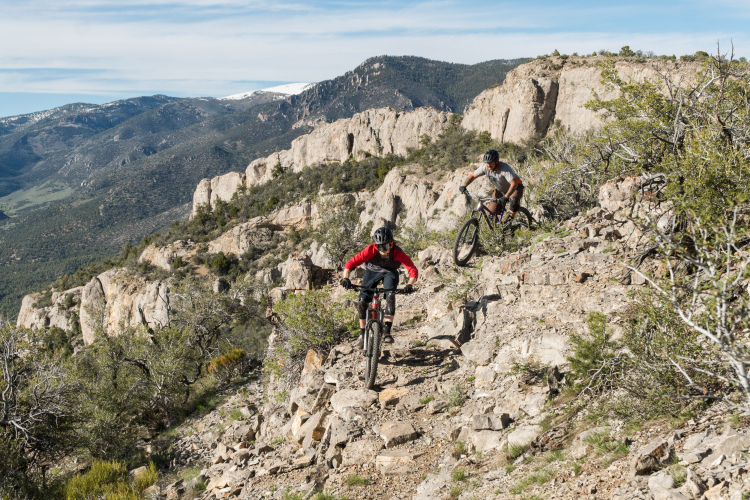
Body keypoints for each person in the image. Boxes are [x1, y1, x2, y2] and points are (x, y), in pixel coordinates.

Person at [339, 227, 418, 346]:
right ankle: (363, 334)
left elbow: (412, 269)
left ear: (391, 244)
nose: (382, 250)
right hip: (372, 271)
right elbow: (351, 263)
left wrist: (409, 284)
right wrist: (346, 278)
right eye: (379, 247)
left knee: (390, 296)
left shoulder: (397, 252)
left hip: (390, 272)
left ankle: (387, 332)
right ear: (375, 245)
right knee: (362, 302)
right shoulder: (370, 250)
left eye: (386, 246)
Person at [458, 149, 524, 218]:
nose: (488, 165)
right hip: (500, 189)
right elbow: (472, 176)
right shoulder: (485, 167)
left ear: (496, 162)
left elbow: (514, 184)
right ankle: (497, 227)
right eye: (486, 162)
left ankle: (510, 221)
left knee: (513, 200)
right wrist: (464, 185)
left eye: (490, 163)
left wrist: (506, 196)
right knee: (490, 214)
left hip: (516, 188)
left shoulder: (504, 168)